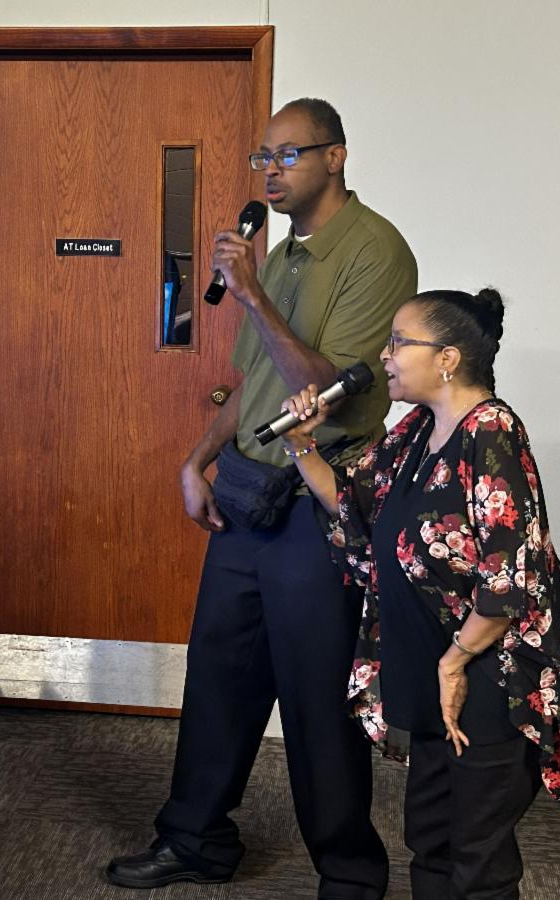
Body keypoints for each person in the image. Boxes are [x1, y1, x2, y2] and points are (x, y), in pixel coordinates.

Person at [106, 98, 416, 896]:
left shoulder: (376, 251)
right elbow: (256, 381)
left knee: (316, 692)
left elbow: (328, 392)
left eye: (288, 155)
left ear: (335, 157)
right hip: (247, 495)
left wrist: (251, 295)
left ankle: (350, 873)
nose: (270, 172)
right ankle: (195, 839)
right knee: (220, 672)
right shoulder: (277, 254)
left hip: (318, 498)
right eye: (262, 158)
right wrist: (196, 460)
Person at [278, 288, 560, 898]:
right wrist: (301, 441)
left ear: (447, 358)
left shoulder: (492, 431)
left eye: (399, 342)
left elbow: (510, 577)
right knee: (431, 838)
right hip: (434, 664)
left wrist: (454, 663)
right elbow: (352, 504)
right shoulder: (418, 431)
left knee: (477, 854)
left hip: (491, 673)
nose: (384, 355)